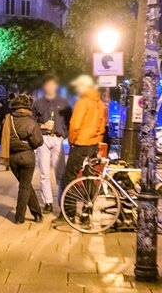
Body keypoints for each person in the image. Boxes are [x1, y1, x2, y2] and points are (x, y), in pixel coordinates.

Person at [54, 75, 106, 223]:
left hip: (81, 144)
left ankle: (68, 213)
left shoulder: (83, 102)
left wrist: (72, 141)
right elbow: (102, 126)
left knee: (68, 177)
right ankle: (86, 214)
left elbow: (75, 125)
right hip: (93, 145)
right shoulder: (100, 103)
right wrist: (97, 140)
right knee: (90, 179)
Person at [0, 95, 44, 224]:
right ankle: (19, 217)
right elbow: (38, 142)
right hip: (27, 156)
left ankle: (37, 213)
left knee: (26, 185)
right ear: (27, 107)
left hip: (12, 158)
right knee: (24, 187)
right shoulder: (31, 122)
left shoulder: (7, 120)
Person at [32, 74, 72, 214]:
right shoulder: (38, 103)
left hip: (58, 139)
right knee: (44, 173)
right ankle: (47, 202)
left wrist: (64, 136)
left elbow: (69, 121)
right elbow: (32, 122)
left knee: (60, 173)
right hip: (43, 139)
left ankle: (62, 203)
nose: (50, 87)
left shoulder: (63, 102)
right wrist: (42, 126)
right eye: (48, 84)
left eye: (53, 84)